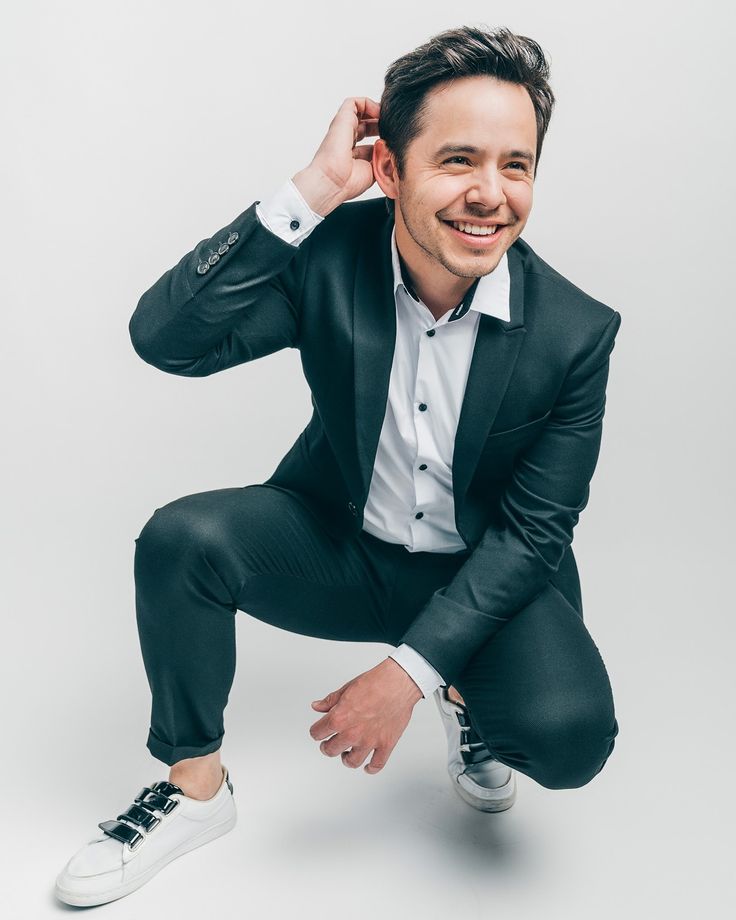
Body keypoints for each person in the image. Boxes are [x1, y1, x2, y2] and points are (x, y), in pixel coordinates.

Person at [54, 24, 621, 907]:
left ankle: (463, 696)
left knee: (569, 736)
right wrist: (312, 191)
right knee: (181, 541)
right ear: (390, 171)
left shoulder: (577, 332)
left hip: (484, 574)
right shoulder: (329, 253)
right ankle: (194, 790)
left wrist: (409, 674)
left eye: (517, 165)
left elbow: (534, 532)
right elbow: (164, 341)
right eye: (458, 159)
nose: (489, 194)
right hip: (341, 543)